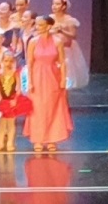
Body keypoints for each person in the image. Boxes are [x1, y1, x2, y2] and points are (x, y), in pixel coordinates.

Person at [26, 14, 73, 151]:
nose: (37, 27)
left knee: (53, 107)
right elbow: (29, 62)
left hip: (53, 77)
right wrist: (29, 81)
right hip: (37, 76)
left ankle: (52, 139)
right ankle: (38, 139)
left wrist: (63, 79)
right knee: (38, 108)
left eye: (40, 25)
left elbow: (62, 62)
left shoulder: (58, 41)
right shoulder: (33, 41)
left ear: (48, 26)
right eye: (37, 24)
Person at [50, 0, 91, 89]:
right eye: (53, 4)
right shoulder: (50, 18)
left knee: (66, 67)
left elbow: (73, 35)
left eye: (57, 4)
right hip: (53, 47)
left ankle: (65, 83)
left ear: (63, 6)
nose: (54, 6)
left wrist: (61, 31)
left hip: (66, 47)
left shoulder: (69, 20)